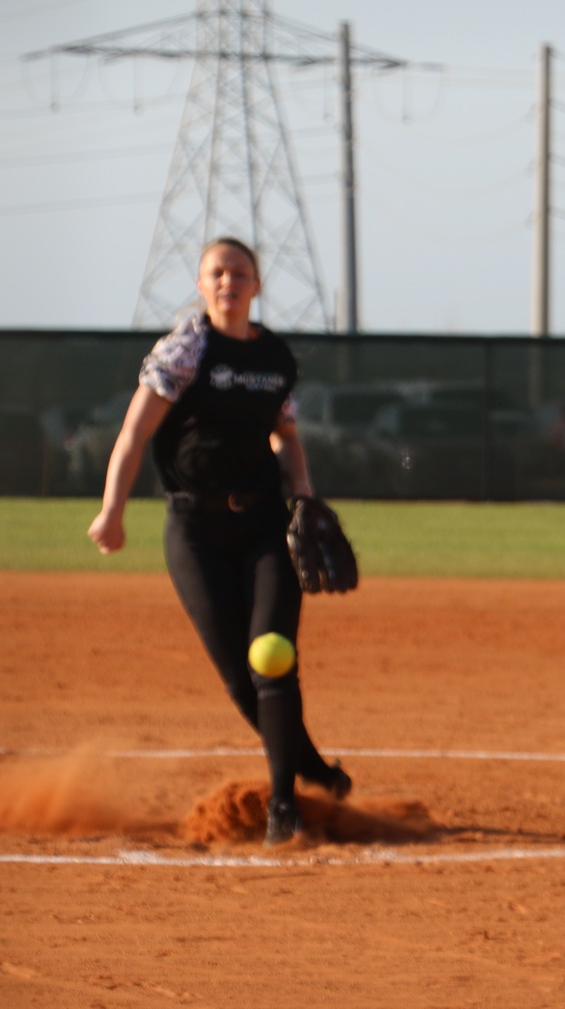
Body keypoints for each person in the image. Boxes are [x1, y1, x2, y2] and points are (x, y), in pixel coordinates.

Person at [88, 237, 351, 845]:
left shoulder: (276, 358)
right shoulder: (187, 349)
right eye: (216, 273)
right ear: (202, 286)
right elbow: (135, 432)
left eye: (239, 272)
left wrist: (304, 495)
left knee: (273, 657)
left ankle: (285, 803)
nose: (228, 281)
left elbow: (285, 434)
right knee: (240, 677)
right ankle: (316, 772)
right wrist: (112, 512)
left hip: (263, 525)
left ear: (257, 285)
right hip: (195, 531)